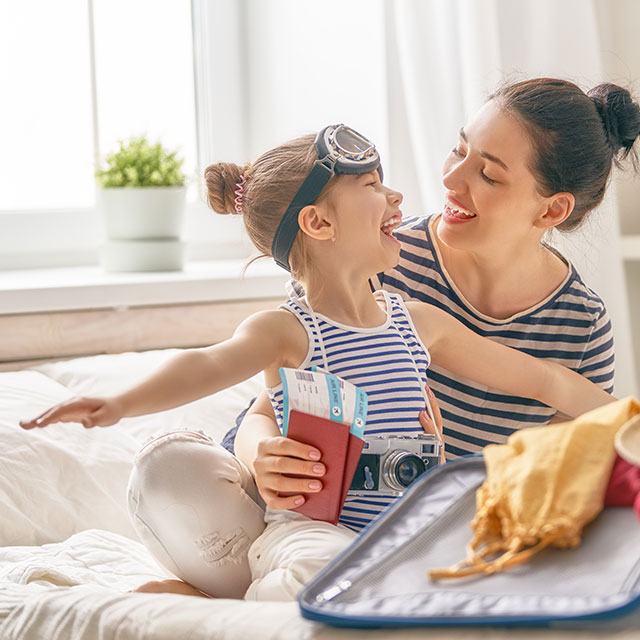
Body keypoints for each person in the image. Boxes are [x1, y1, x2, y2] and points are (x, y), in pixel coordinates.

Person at [20, 123, 614, 601]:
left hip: (407, 525)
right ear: (318, 222)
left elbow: (546, 379)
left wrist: (625, 419)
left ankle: (219, 594)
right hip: (314, 528)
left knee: (461, 564)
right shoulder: (289, 330)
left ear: (551, 208)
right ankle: (255, 603)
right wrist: (119, 403)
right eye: (374, 187)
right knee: (312, 565)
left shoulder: (417, 322)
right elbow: (206, 365)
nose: (398, 198)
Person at [235, 78, 640, 463]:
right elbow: (268, 413)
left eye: (488, 175)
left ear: (552, 209)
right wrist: (263, 456)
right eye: (459, 150)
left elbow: (543, 482)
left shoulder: (581, 328)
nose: (449, 177)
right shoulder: (376, 259)